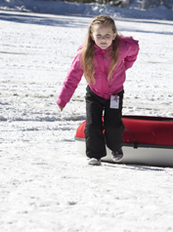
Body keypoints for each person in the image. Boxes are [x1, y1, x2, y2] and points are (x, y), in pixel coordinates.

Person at [57, 15, 139, 166]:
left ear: (114, 35)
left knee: (113, 124)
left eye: (107, 35)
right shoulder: (85, 54)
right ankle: (95, 155)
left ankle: (116, 149)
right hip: (94, 94)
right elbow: (72, 78)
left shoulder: (122, 48)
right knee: (93, 124)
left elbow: (134, 50)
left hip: (115, 94)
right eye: (99, 35)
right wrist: (63, 99)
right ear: (92, 36)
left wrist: (125, 66)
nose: (103, 39)